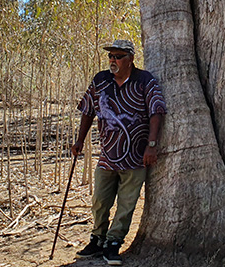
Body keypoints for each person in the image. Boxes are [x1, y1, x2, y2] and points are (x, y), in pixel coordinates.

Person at [71, 39, 166, 266]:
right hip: (107, 155)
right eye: (111, 56)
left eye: (118, 56)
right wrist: (79, 141)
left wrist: (151, 145)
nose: (113, 60)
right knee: (100, 201)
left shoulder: (145, 81)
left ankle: (114, 243)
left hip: (135, 156)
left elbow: (157, 111)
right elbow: (88, 110)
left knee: (126, 203)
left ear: (130, 59)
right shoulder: (101, 80)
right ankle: (97, 238)